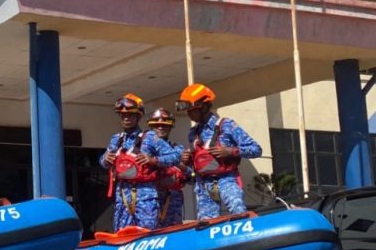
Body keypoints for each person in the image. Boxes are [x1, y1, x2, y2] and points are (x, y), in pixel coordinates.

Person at [177, 83, 262, 220]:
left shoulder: (226, 125)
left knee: (238, 214)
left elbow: (256, 150)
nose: (189, 114)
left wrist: (230, 151)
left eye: (192, 110)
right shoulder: (193, 133)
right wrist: (187, 160)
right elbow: (200, 163)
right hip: (204, 185)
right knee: (206, 224)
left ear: (204, 107)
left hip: (227, 179)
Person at [99, 94, 179, 231]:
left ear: (139, 116)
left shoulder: (150, 138)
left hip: (145, 197)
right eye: (122, 115)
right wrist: (105, 160)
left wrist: (154, 160)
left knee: (147, 235)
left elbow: (175, 156)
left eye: (130, 115)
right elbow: (102, 162)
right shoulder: (116, 139)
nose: (126, 118)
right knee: (123, 237)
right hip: (122, 198)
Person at [147, 107, 189, 228]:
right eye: (157, 125)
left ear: (170, 127)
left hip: (172, 200)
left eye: (164, 125)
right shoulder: (143, 150)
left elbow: (190, 176)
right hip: (149, 199)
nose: (161, 128)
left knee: (174, 232)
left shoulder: (178, 149)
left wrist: (180, 165)